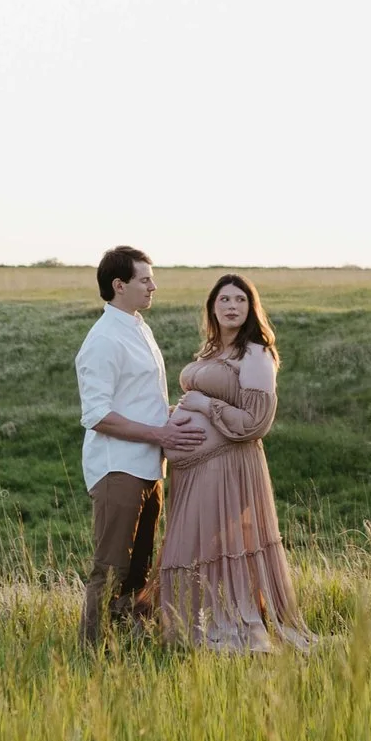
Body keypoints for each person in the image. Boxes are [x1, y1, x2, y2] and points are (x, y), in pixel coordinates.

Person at [153, 271, 315, 653]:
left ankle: (227, 627)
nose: (231, 306)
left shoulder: (255, 353)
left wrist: (204, 404)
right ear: (212, 307)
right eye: (224, 300)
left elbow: (256, 422)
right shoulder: (211, 352)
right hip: (193, 471)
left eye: (240, 300)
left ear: (251, 308)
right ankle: (186, 628)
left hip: (227, 466)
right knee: (191, 547)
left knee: (214, 549)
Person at [74, 245, 204, 646]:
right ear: (119, 285)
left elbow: (137, 401)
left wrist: (174, 415)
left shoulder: (138, 327)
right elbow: (97, 414)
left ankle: (128, 642)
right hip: (119, 469)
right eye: (145, 279)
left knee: (139, 568)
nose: (154, 286)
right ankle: (91, 651)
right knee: (111, 568)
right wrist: (161, 434)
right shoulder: (101, 341)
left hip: (149, 467)